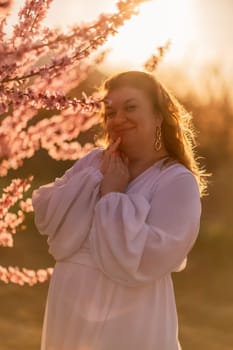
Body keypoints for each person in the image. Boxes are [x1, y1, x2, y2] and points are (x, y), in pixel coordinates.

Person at [32, 70, 207, 350]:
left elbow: (154, 255)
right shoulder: (92, 162)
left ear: (158, 116)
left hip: (129, 311)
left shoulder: (176, 181)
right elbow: (46, 211)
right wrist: (94, 181)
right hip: (69, 305)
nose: (118, 119)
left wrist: (113, 196)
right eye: (110, 111)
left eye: (131, 107)